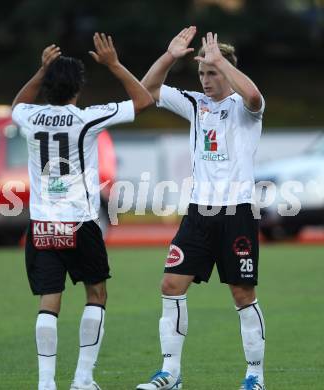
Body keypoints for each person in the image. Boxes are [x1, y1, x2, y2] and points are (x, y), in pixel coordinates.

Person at [11, 34, 153, 390]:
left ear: (47, 86)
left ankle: (46, 384)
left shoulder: (31, 118)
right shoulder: (86, 119)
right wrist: (114, 64)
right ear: (78, 88)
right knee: (96, 294)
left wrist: (40, 70)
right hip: (80, 222)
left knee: (49, 300)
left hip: (43, 223)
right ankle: (82, 379)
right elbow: (144, 100)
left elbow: (16, 104)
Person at [137, 27, 266, 390]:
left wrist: (221, 60)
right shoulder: (195, 104)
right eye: (202, 74)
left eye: (212, 73)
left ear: (225, 70)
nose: (206, 80)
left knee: (243, 295)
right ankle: (171, 374)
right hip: (199, 213)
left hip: (236, 212)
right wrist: (169, 56)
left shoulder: (246, 108)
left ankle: (255, 376)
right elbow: (147, 90)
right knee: (171, 284)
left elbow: (254, 94)